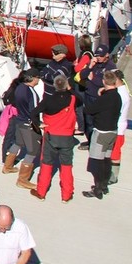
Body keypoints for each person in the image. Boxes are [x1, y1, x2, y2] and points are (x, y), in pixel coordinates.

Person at [30, 75, 80, 203]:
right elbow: (81, 100)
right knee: (67, 165)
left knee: (46, 164)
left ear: (54, 85)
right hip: (67, 137)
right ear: (66, 85)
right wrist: (70, 89)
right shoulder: (73, 98)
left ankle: (41, 192)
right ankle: (67, 195)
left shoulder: (48, 100)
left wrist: (39, 124)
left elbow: (33, 113)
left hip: (51, 136)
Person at [81, 70, 123, 199]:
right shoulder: (117, 96)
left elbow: (89, 110)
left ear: (104, 82)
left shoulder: (104, 98)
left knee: (97, 162)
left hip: (101, 133)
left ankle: (98, 189)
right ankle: (104, 185)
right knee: (106, 159)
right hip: (112, 132)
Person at [2, 69, 43, 190]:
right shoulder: (32, 92)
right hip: (28, 124)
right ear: (32, 78)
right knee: (32, 151)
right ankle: (23, 180)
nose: (38, 80)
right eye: (37, 77)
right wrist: (38, 124)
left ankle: (7, 166)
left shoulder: (19, 87)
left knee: (18, 143)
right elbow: (34, 111)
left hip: (19, 120)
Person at [75, 44, 116, 150]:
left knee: (96, 122)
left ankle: (94, 143)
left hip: (99, 98)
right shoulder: (94, 64)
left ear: (106, 55)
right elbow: (82, 75)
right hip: (88, 96)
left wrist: (92, 79)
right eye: (97, 55)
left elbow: (105, 83)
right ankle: (90, 141)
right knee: (88, 121)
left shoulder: (111, 67)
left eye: (100, 56)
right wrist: (90, 67)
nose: (98, 58)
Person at [108, 70, 131, 186]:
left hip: (118, 128)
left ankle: (113, 176)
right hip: (119, 126)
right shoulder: (122, 90)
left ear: (116, 79)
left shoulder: (121, 95)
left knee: (115, 153)